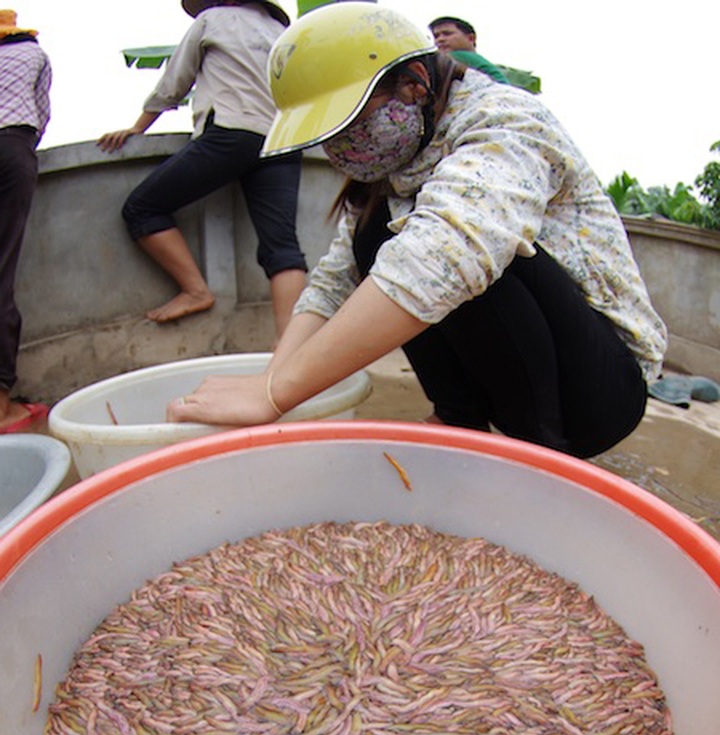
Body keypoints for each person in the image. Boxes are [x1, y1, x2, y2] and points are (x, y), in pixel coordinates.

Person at [168, 2, 667, 461]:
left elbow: (448, 252)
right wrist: (271, 378)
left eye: (349, 124)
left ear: (414, 84)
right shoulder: (398, 163)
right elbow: (336, 281)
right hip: (526, 366)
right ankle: (459, 419)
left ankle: (539, 453)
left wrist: (276, 396)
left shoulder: (506, 120)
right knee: (373, 238)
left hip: (600, 390)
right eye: (327, 136)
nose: (341, 150)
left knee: (466, 253)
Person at [98, 0, 307, 337]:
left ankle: (196, 290)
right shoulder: (283, 32)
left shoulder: (212, 19)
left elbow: (173, 84)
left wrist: (138, 128)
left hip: (231, 134)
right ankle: (291, 349)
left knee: (142, 208)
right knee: (282, 247)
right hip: (283, 140)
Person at [0, 9, 51, 434]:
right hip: (10, 148)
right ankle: (1, 408)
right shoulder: (33, 54)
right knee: (1, 271)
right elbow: (40, 113)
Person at [428, 14, 507, 82]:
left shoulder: (458, 56)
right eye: (436, 36)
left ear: (471, 38)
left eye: (447, 34)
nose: (440, 39)